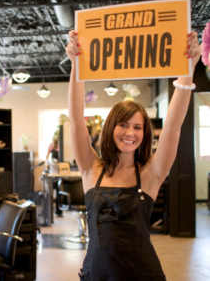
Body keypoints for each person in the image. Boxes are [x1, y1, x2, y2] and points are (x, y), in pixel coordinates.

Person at [66, 29, 200, 281]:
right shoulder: (90, 168)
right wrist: (76, 65)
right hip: (96, 274)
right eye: (124, 125)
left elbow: (173, 126)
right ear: (111, 128)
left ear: (145, 133)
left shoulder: (151, 173)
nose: (130, 133)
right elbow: (76, 121)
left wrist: (188, 67)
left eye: (138, 127)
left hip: (142, 274)